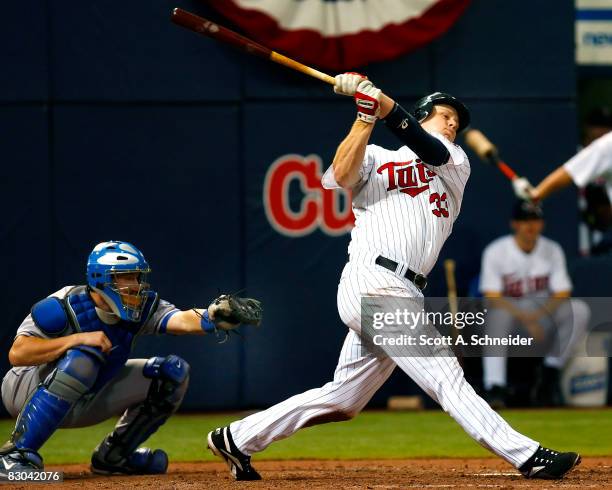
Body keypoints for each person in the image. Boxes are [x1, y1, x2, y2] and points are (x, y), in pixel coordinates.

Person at [206, 74, 581, 481]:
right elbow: (340, 176)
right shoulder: (378, 158)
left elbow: (427, 147)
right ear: (422, 115)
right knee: (444, 373)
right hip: (373, 280)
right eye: (445, 114)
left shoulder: (455, 163)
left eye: (458, 119)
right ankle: (527, 455)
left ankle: (238, 437)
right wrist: (364, 117)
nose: (453, 122)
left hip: (405, 289)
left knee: (343, 400)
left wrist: (380, 102)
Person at [0, 240, 261, 476]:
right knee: (84, 356)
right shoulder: (63, 305)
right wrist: (77, 339)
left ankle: (114, 457)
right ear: (101, 279)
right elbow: (18, 353)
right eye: (125, 277)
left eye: (136, 277)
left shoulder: (141, 307)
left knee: (171, 373)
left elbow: (180, 319)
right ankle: (14, 455)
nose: (135, 285)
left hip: (88, 394)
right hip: (25, 391)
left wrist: (213, 315)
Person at [479, 201, 590, 408]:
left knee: (579, 310)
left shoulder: (552, 250)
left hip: (542, 316)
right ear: (514, 224)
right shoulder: (496, 251)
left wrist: (537, 317)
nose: (530, 225)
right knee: (496, 315)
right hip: (511, 318)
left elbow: (563, 292)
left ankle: (549, 374)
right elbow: (492, 296)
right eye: (524, 220)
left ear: (541, 224)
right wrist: (528, 320)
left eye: (535, 220)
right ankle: (495, 387)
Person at [513, 108, 612, 203]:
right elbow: (570, 171)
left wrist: (537, 194)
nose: (602, 130)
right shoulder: (608, 144)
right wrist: (536, 193)